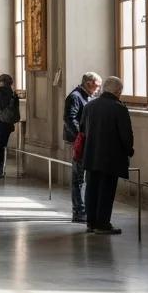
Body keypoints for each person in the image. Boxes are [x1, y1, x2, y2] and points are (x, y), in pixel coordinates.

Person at [82, 75, 134, 235]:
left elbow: (82, 129)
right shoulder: (119, 108)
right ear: (118, 91)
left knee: (92, 188)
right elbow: (126, 135)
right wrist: (129, 151)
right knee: (106, 190)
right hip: (111, 158)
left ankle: (91, 222)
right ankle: (102, 223)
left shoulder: (90, 106)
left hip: (91, 155)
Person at [63, 71, 102, 224]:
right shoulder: (75, 97)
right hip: (79, 141)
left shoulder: (86, 96)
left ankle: (84, 209)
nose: (98, 89)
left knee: (83, 177)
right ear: (88, 83)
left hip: (85, 140)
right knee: (78, 178)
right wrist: (81, 135)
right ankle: (78, 211)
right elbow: (69, 118)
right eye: (97, 86)